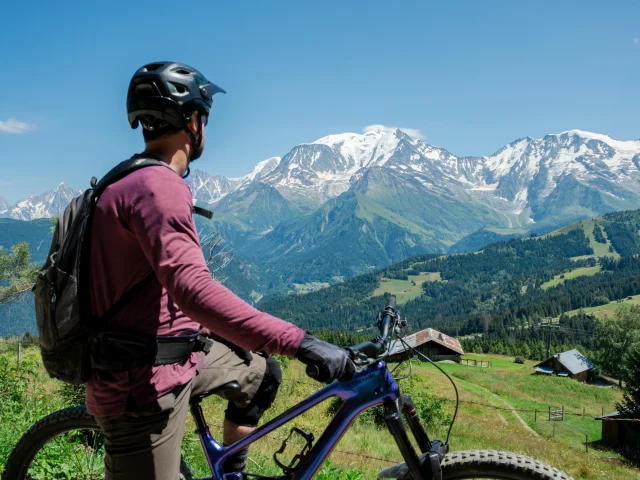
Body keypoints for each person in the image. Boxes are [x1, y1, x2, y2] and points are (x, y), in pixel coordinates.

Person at [87, 61, 355, 480]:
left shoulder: (130, 180)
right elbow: (192, 290)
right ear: (193, 120)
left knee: (260, 370)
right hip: (140, 387)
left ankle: (231, 472)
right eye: (205, 117)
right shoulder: (158, 188)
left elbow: (155, 288)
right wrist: (299, 341)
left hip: (168, 352)